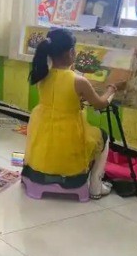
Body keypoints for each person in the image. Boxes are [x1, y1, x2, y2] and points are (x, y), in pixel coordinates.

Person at [23, 28, 117, 199]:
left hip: (43, 128)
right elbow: (100, 104)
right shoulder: (78, 81)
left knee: (51, 144)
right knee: (103, 137)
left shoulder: (42, 74)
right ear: (71, 52)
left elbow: (59, 95)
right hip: (70, 132)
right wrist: (112, 89)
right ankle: (96, 187)